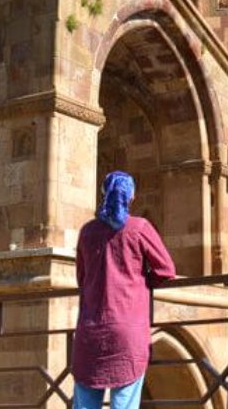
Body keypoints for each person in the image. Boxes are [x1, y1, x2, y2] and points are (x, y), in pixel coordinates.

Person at [72, 171, 177, 409]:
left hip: (90, 330)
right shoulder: (139, 228)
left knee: (85, 403)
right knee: (124, 404)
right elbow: (165, 269)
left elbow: (82, 277)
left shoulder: (87, 232)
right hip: (127, 330)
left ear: (103, 194)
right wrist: (140, 281)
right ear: (131, 197)